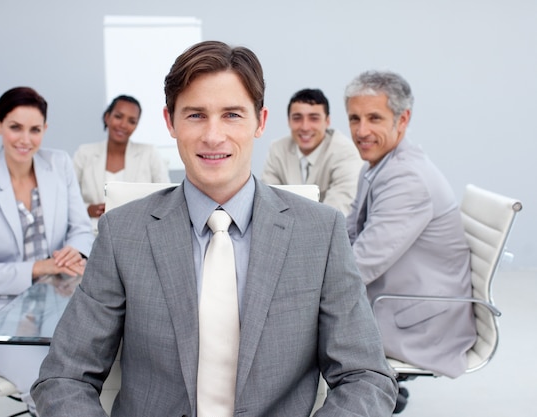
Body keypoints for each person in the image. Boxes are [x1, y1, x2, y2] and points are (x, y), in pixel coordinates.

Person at [32, 41, 397, 416]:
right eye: (195, 115)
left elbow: (366, 377)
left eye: (232, 115)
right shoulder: (122, 233)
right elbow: (64, 377)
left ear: (261, 121)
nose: (213, 135)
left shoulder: (320, 232)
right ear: (170, 122)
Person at [0, 87, 94, 416]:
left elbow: (81, 227)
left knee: (111, 355)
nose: (25, 139)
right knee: (50, 379)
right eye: (15, 127)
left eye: (35, 129)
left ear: (45, 130)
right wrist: (40, 267)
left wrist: (74, 251)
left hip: (57, 300)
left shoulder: (59, 164)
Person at [344, 71, 477, 410]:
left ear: (403, 119)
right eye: (355, 119)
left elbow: (360, 265)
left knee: (299, 322)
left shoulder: (407, 178)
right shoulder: (379, 164)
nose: (361, 131)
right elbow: (350, 233)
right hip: (405, 298)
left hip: (420, 320)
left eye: (374, 118)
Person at [73, 94, 170, 226]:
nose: (123, 125)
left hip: (136, 230)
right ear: (107, 117)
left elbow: (167, 198)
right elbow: (67, 198)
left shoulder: (149, 153)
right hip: (92, 232)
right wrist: (88, 209)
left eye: (131, 121)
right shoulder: (84, 153)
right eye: (118, 116)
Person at [261, 88, 362, 214]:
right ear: (289, 121)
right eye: (297, 118)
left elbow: (338, 211)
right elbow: (268, 205)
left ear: (327, 121)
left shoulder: (345, 152)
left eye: (314, 118)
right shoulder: (277, 149)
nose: (305, 127)